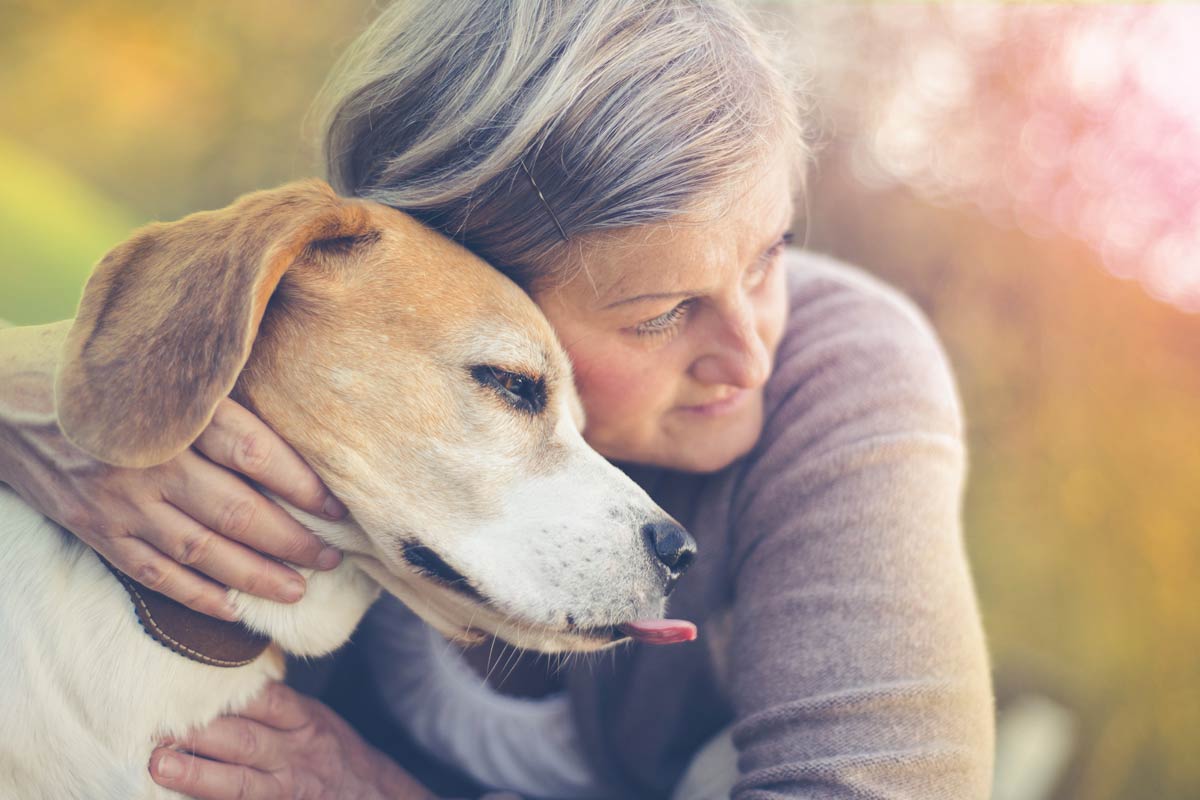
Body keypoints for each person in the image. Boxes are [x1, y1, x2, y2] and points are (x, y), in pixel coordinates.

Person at [0, 1, 994, 798]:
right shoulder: (350, 306)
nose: (751, 353)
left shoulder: (841, 372)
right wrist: (33, 404)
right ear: (466, 271)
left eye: (772, 253)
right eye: (660, 312)